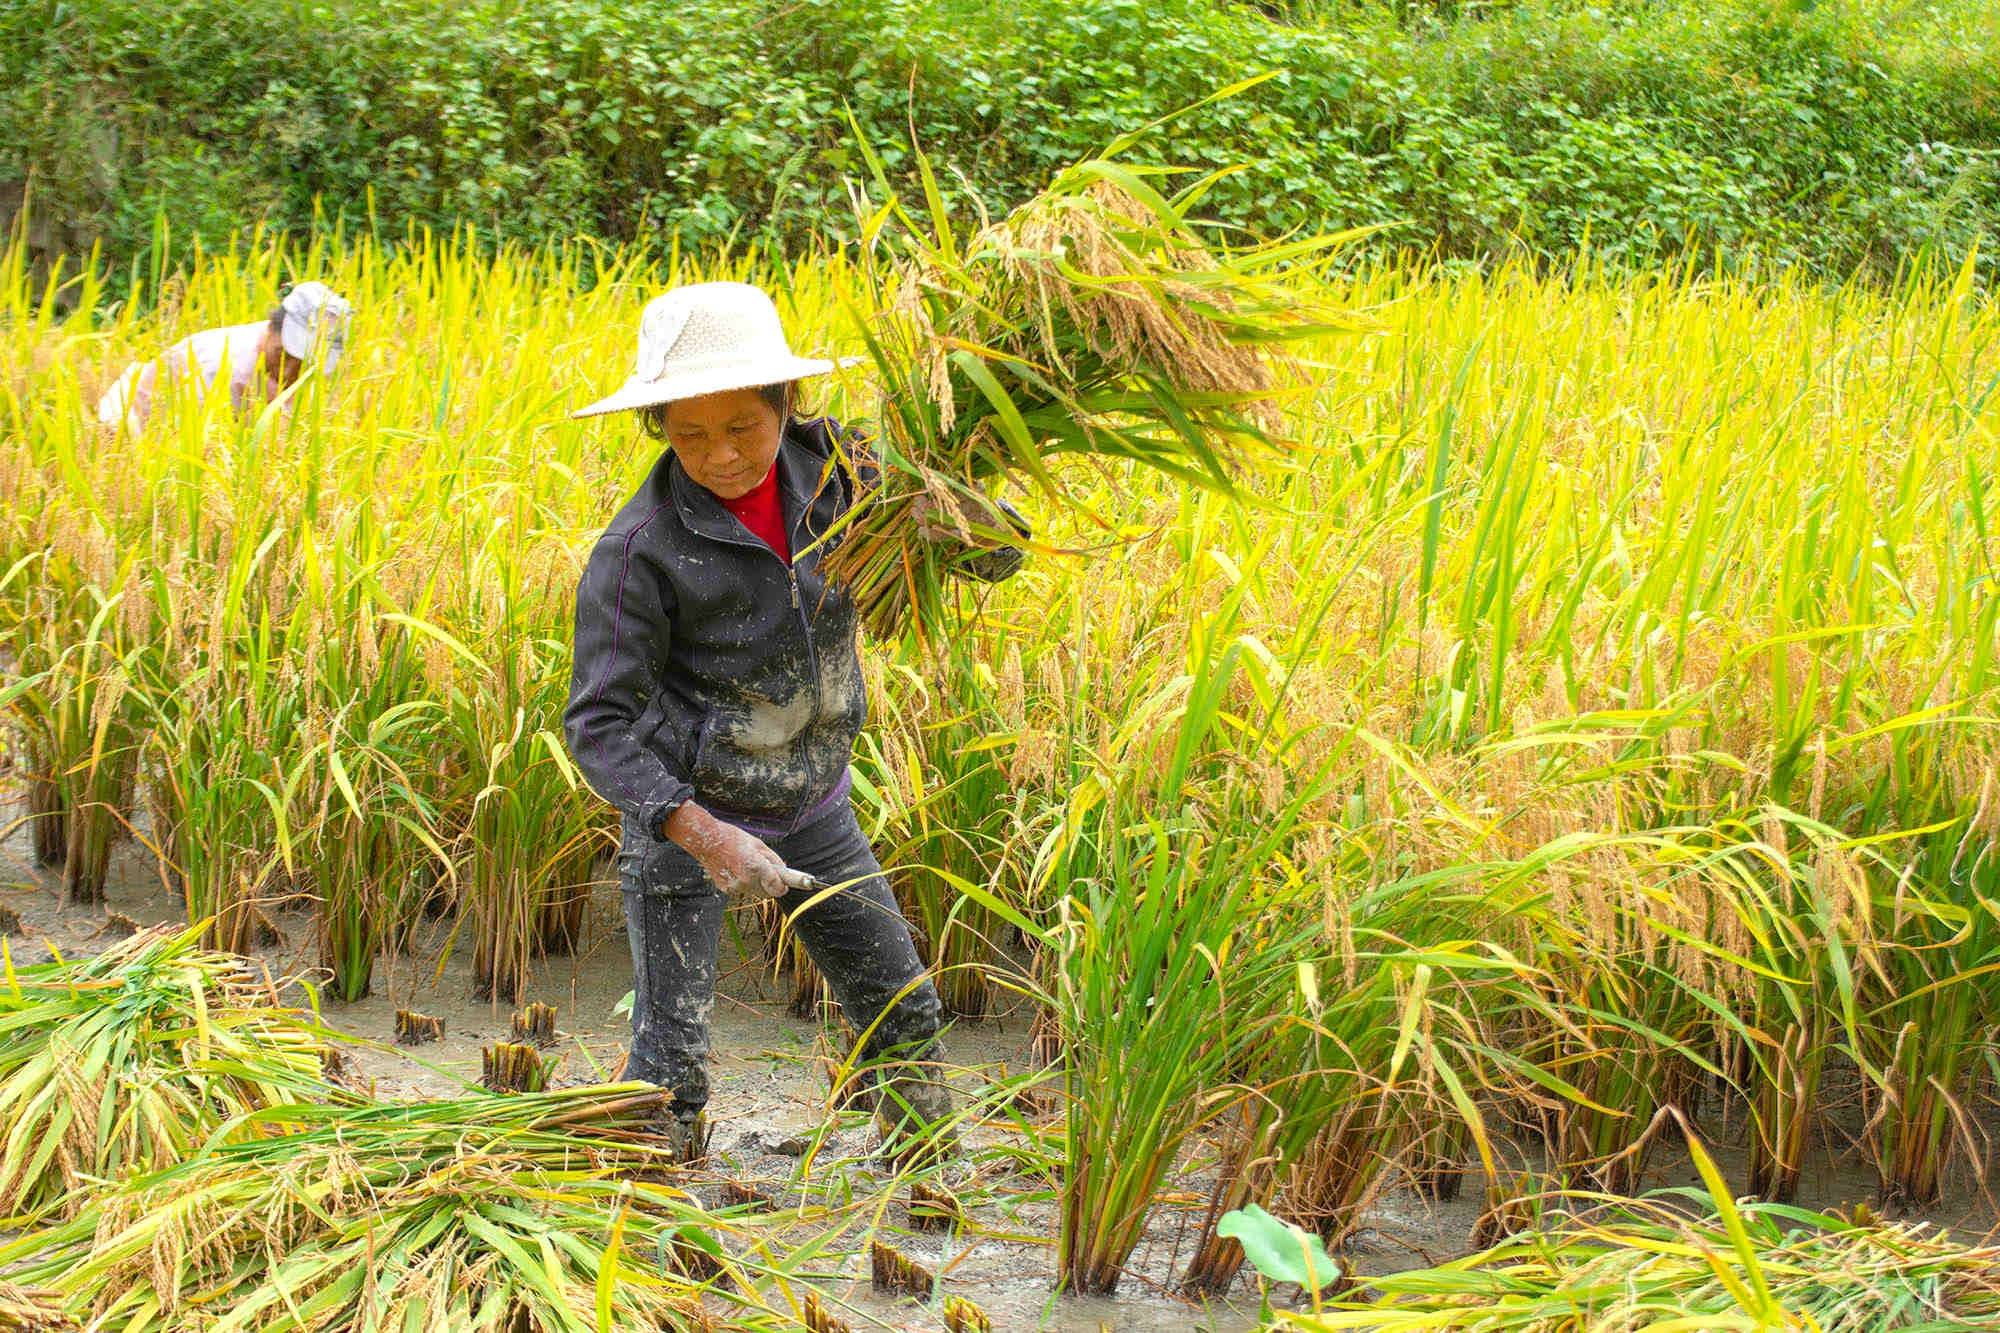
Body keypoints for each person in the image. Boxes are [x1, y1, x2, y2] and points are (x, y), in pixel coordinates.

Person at [564, 281, 1024, 1163]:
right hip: (688, 811)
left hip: (814, 801)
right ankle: (654, 1210)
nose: (722, 455)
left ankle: (927, 1183)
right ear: (659, 428)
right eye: (689, 434)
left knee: (904, 1010)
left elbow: (998, 558)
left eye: (744, 425)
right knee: (668, 1068)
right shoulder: (640, 550)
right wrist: (702, 833)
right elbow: (598, 722)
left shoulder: (848, 474)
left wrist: (959, 506)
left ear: (787, 401)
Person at [96, 280, 351, 431]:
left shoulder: (282, 354)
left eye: (302, 363)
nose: (288, 371)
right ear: (273, 327)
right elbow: (183, 453)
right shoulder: (220, 370)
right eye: (283, 354)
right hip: (130, 424)